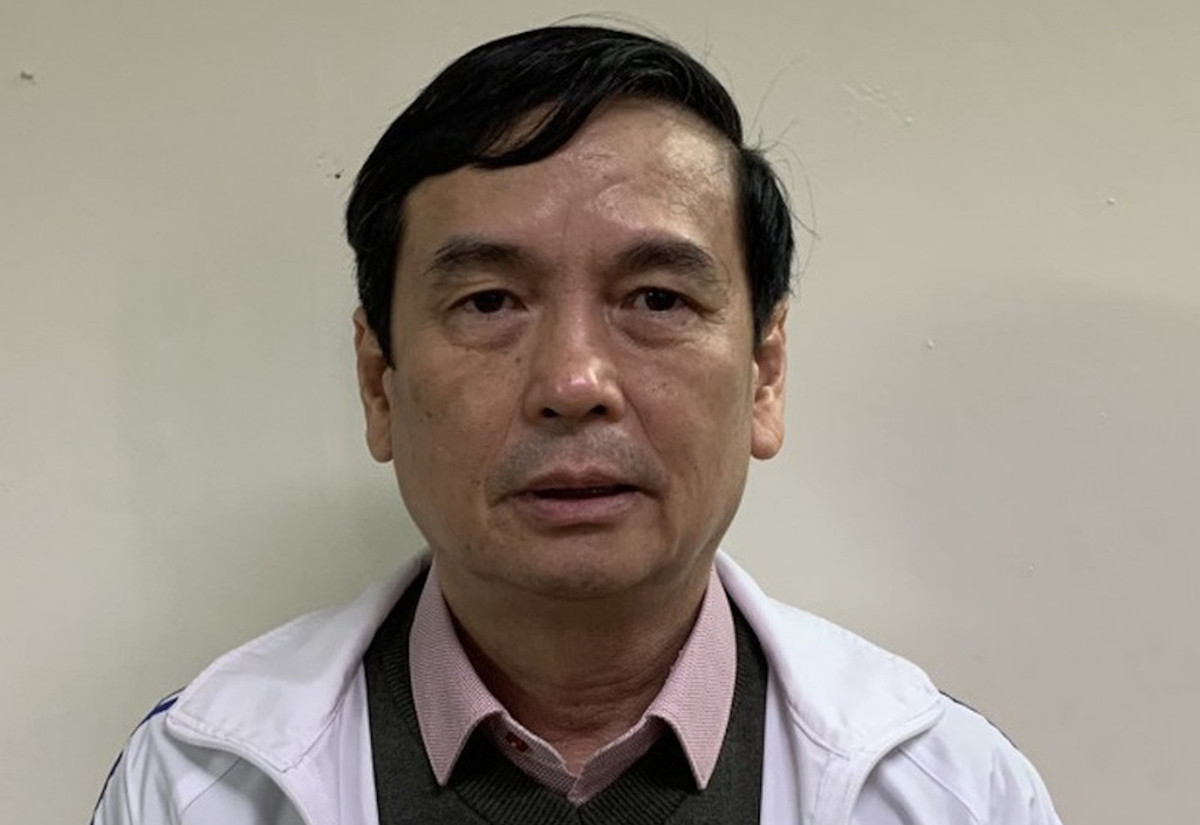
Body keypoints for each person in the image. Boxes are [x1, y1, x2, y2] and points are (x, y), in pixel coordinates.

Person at [92, 25, 1063, 824]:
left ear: (764, 374)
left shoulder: (954, 792)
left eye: (656, 299)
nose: (572, 382)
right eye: (487, 302)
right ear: (379, 382)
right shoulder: (194, 786)